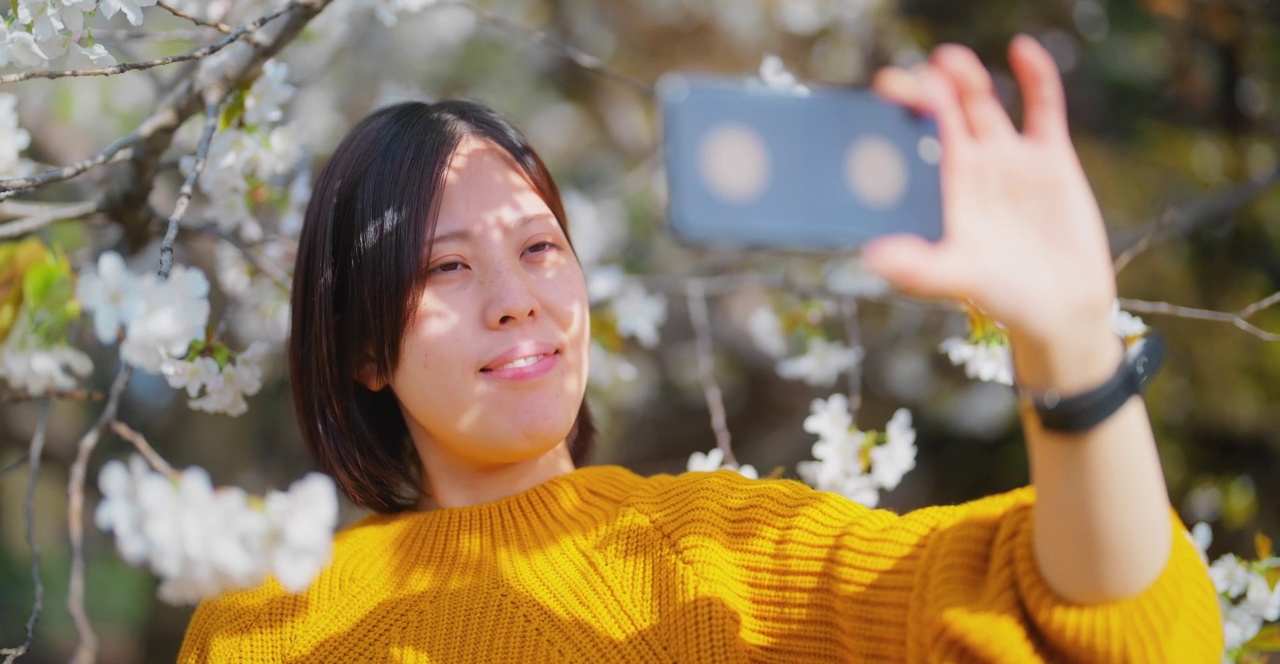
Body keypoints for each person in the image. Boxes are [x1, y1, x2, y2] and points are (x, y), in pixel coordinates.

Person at [177, 36, 1223, 662]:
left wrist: (1070, 339)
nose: (514, 301)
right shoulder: (258, 621)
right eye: (444, 269)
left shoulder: (712, 547)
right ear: (362, 345)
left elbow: (1099, 624)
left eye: (540, 248)